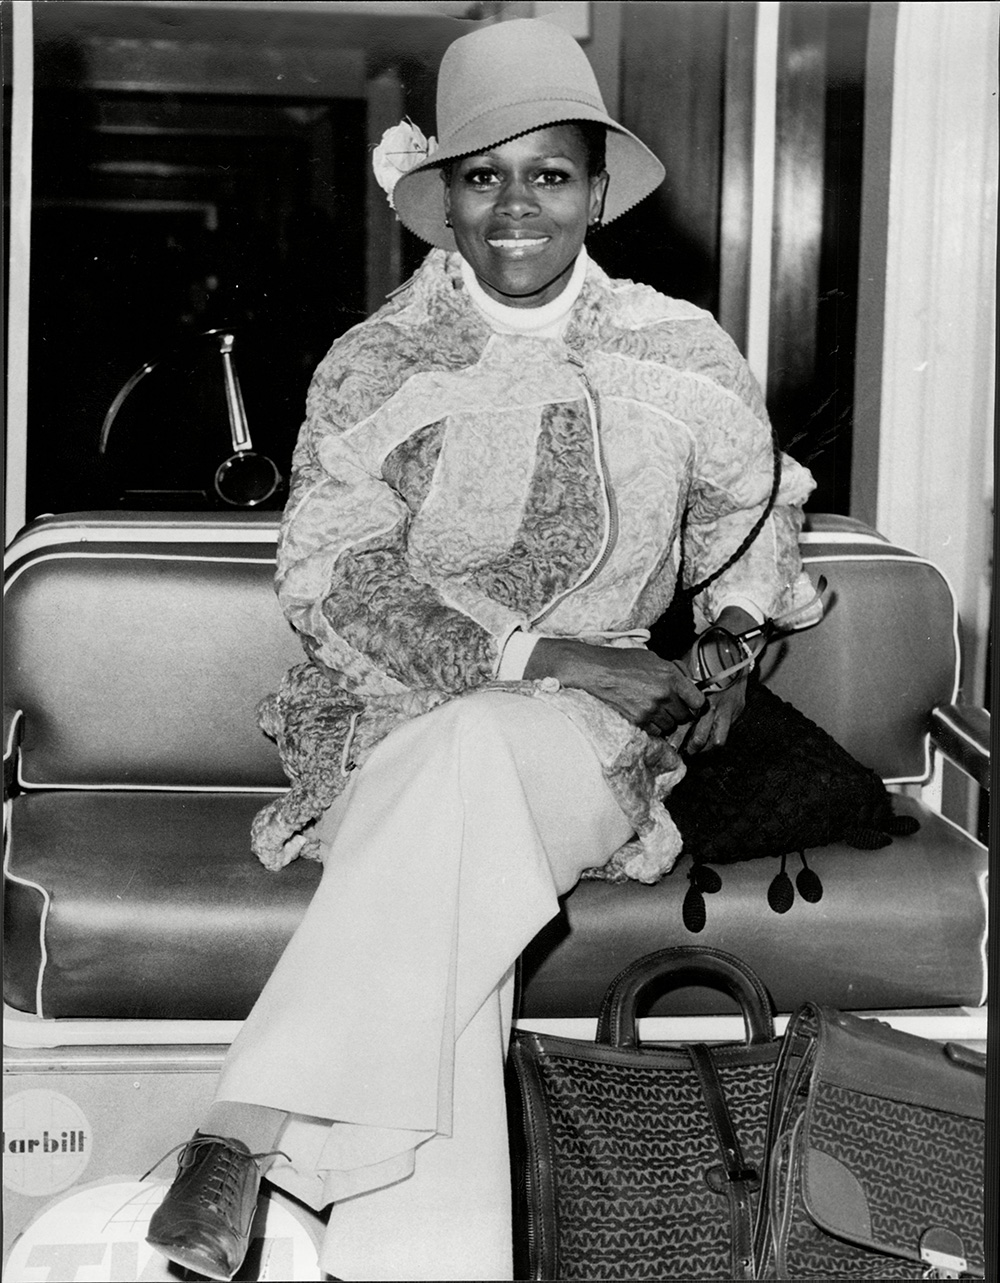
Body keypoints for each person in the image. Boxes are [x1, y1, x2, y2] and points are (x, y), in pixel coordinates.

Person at [145, 17, 820, 1282]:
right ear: (442, 198)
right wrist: (541, 653)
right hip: (386, 723)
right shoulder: (374, 363)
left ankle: (244, 1134)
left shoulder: (681, 351)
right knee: (460, 833)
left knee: (477, 768)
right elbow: (330, 574)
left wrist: (729, 641)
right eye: (482, 175)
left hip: (598, 741)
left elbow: (754, 520)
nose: (516, 207)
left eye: (549, 174)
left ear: (596, 192)